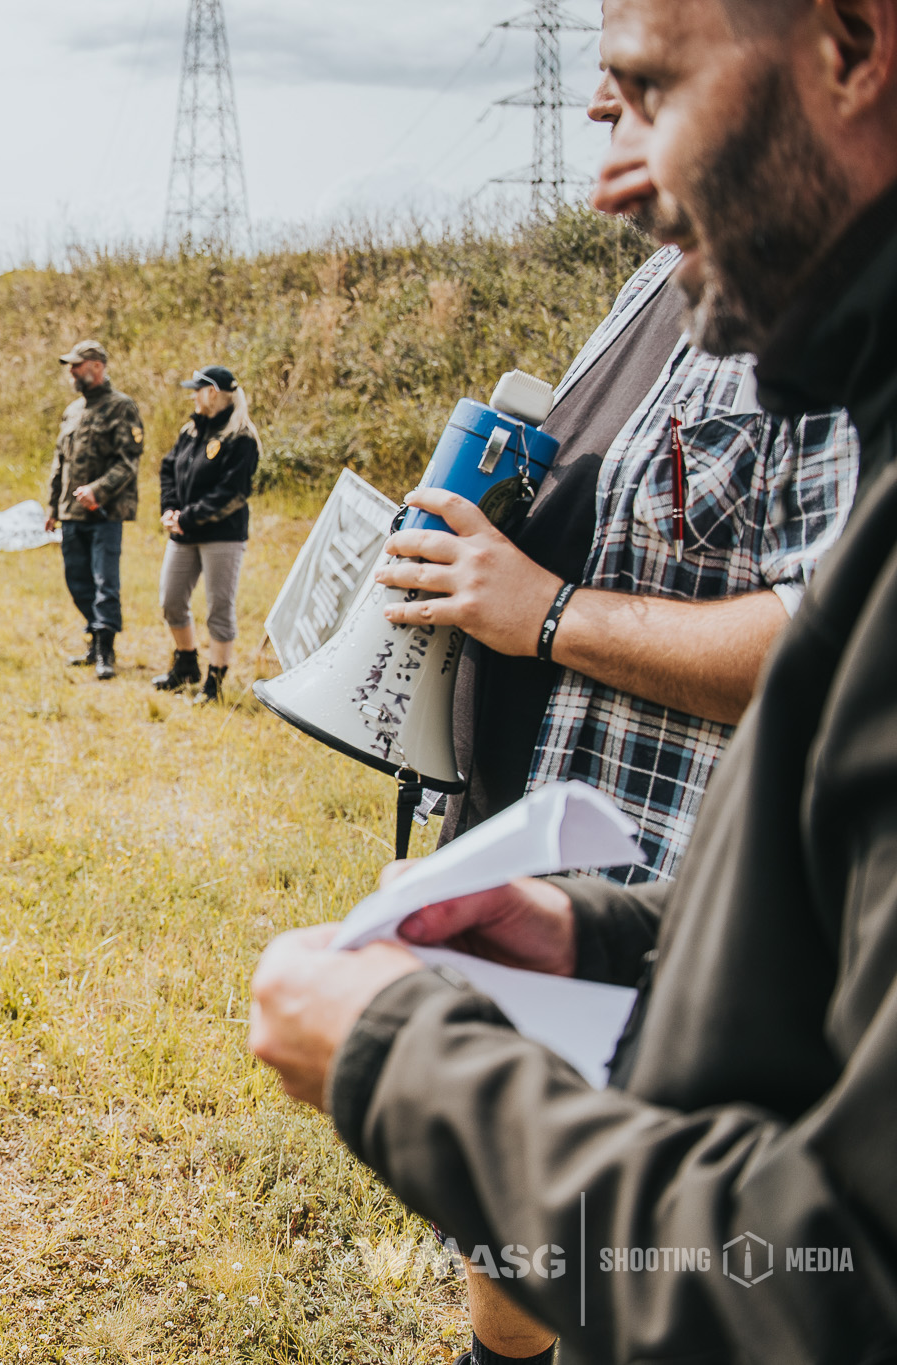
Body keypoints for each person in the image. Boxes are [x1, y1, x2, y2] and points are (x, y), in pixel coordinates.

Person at [249, 1, 897, 1360]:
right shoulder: (713, 310)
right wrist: (603, 936)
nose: (607, 175)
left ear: (854, 43)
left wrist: (390, 1060)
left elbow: (836, 1280)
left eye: (652, 93)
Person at [380, 73, 858, 1365]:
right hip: (552, 865)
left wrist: (541, 611)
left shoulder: (836, 323)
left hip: (685, 896)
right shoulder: (665, 287)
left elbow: (834, 634)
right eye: (604, 110)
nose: (612, 165)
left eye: (650, 93)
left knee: (659, 1262)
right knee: (536, 1206)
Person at [152, 365, 259, 705]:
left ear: (213, 392)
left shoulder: (241, 437)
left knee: (219, 608)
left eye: (197, 389)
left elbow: (233, 493)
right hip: (182, 532)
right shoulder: (191, 429)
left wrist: (190, 517)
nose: (192, 395)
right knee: (170, 601)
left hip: (221, 536)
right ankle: (186, 665)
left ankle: (214, 682)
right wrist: (170, 508)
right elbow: (169, 467)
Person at [44, 339, 143, 680]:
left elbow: (128, 462)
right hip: (71, 512)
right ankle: (92, 638)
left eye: (77, 365)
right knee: (77, 579)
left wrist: (97, 490)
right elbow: (60, 461)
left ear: (97, 366)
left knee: (105, 582)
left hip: (105, 512)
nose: (71, 371)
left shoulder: (122, 407)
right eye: (70, 366)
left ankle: (106, 649)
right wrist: (52, 505)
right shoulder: (73, 411)